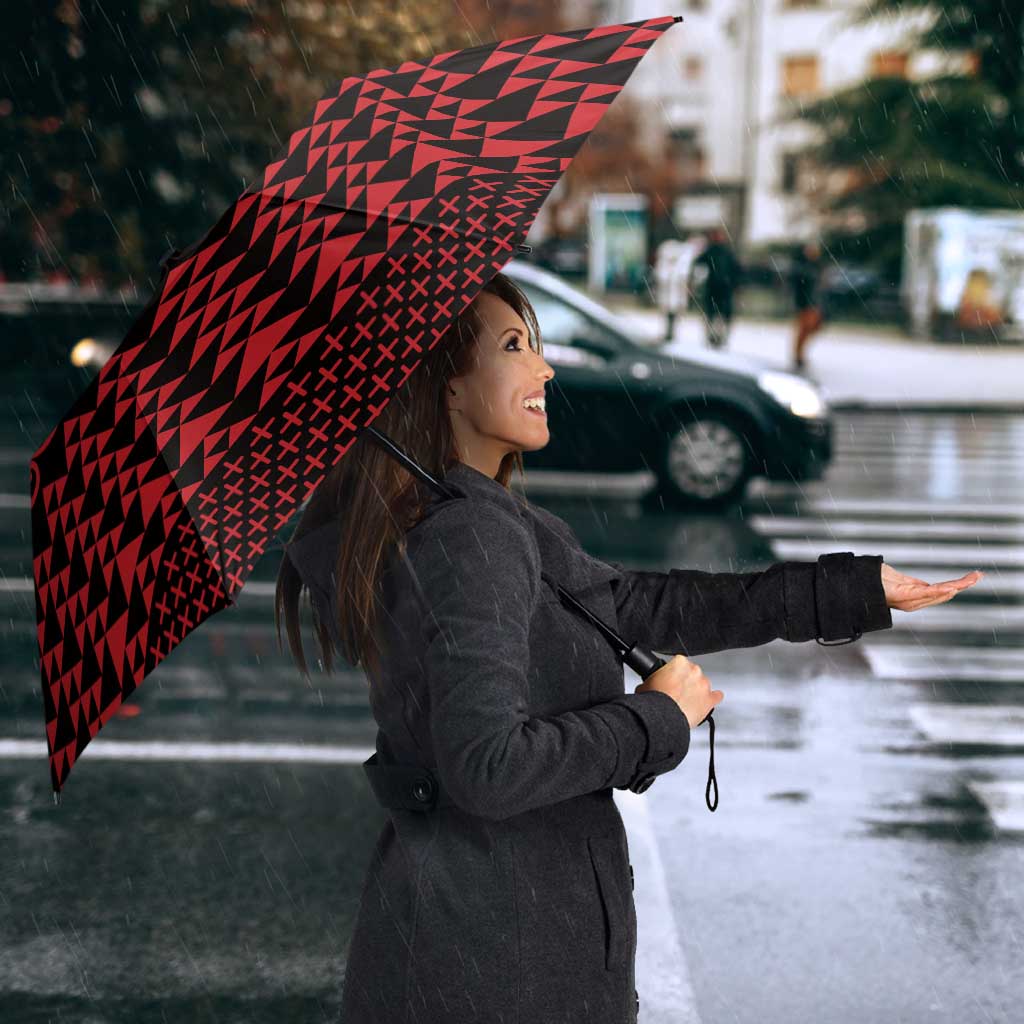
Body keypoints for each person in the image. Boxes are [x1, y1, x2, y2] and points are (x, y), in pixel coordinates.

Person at [276, 271, 981, 1024]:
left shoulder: (480, 519)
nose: (544, 368)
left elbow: (643, 605)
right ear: (446, 387)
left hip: (479, 944)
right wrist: (654, 719)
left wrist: (849, 590)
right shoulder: (469, 536)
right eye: (515, 346)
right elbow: (487, 768)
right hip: (496, 963)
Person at [692, 226, 742, 349]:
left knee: (720, 315)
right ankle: (713, 337)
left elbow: (736, 270)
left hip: (723, 288)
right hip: (715, 288)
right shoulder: (712, 251)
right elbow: (698, 264)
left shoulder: (725, 252)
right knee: (713, 314)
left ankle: (719, 337)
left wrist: (735, 284)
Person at [790, 239, 826, 370]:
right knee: (804, 329)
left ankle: (799, 354)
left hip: (814, 303)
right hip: (805, 303)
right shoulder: (802, 267)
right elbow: (799, 286)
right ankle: (798, 355)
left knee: (812, 328)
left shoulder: (817, 266)